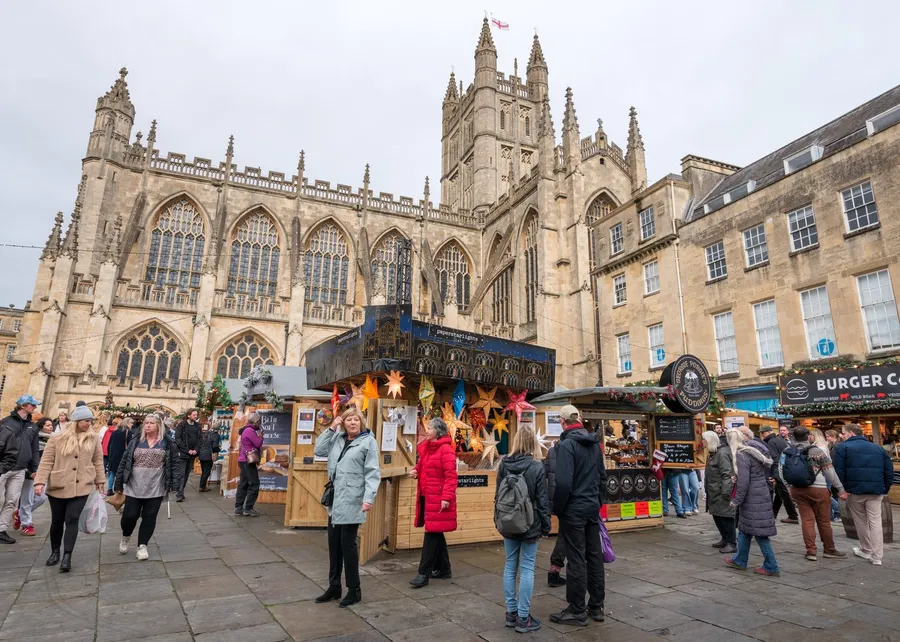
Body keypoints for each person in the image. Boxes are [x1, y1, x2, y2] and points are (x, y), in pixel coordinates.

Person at [313, 407, 379, 607]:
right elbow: (319, 450)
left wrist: (368, 498)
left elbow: (372, 472)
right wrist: (331, 428)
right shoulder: (337, 438)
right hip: (335, 500)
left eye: (356, 420)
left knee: (348, 545)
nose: (352, 423)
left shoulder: (368, 442)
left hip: (353, 500)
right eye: (349, 419)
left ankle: (354, 589)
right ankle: (334, 587)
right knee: (334, 544)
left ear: (361, 422)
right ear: (343, 422)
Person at [549, 405, 606, 627]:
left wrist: (559, 508)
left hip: (573, 509)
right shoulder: (594, 444)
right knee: (594, 556)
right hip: (591, 507)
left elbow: (563, 483)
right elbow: (602, 478)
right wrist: (597, 502)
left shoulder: (567, 445)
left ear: (563, 422)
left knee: (575, 559)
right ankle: (596, 606)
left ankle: (576, 609)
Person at [33, 405, 105, 571]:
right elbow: (47, 461)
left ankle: (67, 555)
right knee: (57, 520)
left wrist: (100, 480)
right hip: (59, 484)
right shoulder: (56, 438)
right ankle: (55, 551)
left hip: (82, 485)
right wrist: (40, 481)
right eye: (86, 421)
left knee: (72, 518)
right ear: (76, 421)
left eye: (90, 421)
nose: (89, 424)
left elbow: (98, 460)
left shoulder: (93, 438)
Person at [496, 427, 551, 633]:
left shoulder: (504, 464)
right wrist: (546, 525)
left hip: (507, 522)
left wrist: (497, 519)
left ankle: (511, 613)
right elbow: (542, 500)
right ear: (533, 443)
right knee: (527, 568)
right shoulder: (537, 466)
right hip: (530, 523)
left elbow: (498, 495)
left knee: (510, 565)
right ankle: (523, 617)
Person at [115, 414, 181, 560]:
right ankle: (126, 535)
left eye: (151, 423)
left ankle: (142, 545)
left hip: (156, 485)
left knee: (149, 517)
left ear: (158, 426)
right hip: (134, 485)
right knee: (130, 516)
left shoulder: (167, 443)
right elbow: (125, 461)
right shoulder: (136, 441)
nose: (148, 425)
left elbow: (175, 464)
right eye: (146, 423)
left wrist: (175, 484)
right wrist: (118, 483)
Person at [780, 426, 847, 562]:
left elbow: (781, 471)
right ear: (809, 436)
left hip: (798, 489)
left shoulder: (786, 452)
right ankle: (829, 549)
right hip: (819, 489)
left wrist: (789, 487)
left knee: (807, 521)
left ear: (793, 436)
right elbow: (830, 473)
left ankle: (811, 551)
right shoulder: (817, 451)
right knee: (824, 521)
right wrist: (840, 489)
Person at [408, 417, 458, 589]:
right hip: (427, 497)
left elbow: (451, 477)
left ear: (438, 431)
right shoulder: (428, 448)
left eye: (429, 428)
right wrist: (416, 471)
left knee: (431, 534)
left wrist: (446, 498)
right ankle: (444, 569)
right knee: (436, 531)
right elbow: (422, 465)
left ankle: (423, 573)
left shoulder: (446, 450)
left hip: (438, 498)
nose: (427, 430)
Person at [834, 423, 893, 566]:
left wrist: (842, 489)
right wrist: (885, 488)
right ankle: (877, 556)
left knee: (860, 521)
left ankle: (866, 549)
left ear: (851, 433)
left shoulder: (843, 448)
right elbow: (889, 470)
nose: (842, 436)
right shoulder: (878, 448)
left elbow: (839, 471)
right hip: (875, 490)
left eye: (844, 433)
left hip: (855, 491)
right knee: (875, 521)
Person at [724, 429, 780, 576]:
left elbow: (744, 482)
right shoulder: (752, 451)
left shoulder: (741, 455)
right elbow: (752, 474)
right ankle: (740, 560)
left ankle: (772, 566)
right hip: (759, 493)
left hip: (752, 498)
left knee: (760, 534)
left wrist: (736, 500)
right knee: (745, 530)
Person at [0, 395, 40, 544]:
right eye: (32, 405)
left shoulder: (32, 426)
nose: (35, 407)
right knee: (0, 499)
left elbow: (34, 449)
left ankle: (2, 529)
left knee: (12, 500)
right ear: (23, 406)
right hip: (4, 467)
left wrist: (34, 468)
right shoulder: (6, 422)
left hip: (20, 469)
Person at [702, 430, 737, 553]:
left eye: (704, 440)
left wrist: (725, 492)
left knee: (726, 517)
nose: (702, 443)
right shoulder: (713, 453)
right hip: (714, 491)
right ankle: (725, 539)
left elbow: (727, 474)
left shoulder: (721, 454)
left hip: (721, 492)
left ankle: (731, 543)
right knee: (717, 516)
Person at [16, 416, 51, 537]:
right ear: (41, 426)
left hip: (42, 473)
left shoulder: (52, 439)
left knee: (42, 498)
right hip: (30, 472)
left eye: (51, 425)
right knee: (27, 499)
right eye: (47, 425)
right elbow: (28, 454)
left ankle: (19, 514)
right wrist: (30, 471)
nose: (51, 427)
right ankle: (27, 524)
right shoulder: (34, 437)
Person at [760, 425, 799, 524]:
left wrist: (774, 474)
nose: (762, 435)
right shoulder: (779, 440)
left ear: (768, 432)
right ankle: (774, 513)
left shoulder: (770, 442)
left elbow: (774, 458)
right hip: (785, 468)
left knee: (784, 493)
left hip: (778, 470)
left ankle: (793, 516)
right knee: (779, 493)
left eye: (763, 432)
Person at [543, 434, 566, 587]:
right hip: (570, 501)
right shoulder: (573, 450)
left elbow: (545, 472)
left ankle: (554, 570)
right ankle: (554, 570)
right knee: (567, 536)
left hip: (555, 499)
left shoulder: (552, 451)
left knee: (564, 534)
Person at [234, 412, 263, 517]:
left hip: (243, 460)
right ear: (256, 421)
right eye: (259, 421)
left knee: (243, 483)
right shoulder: (250, 431)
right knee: (254, 484)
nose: (260, 423)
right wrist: (261, 436)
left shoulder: (246, 429)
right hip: (247, 461)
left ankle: (238, 507)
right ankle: (248, 508)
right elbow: (258, 443)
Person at [173, 409, 201, 502]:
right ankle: (179, 493)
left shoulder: (198, 426)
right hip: (183, 453)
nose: (196, 416)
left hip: (193, 454)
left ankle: (181, 490)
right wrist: (187, 450)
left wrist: (196, 450)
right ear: (188, 415)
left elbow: (200, 439)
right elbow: (178, 439)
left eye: (196, 415)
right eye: (194, 415)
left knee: (187, 473)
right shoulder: (181, 425)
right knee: (181, 473)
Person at [106, 418, 130, 493]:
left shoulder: (114, 432)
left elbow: (109, 444)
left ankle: (109, 489)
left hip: (113, 455)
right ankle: (119, 489)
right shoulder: (128, 432)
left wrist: (109, 455)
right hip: (122, 455)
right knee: (121, 473)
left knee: (112, 473)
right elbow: (130, 445)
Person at [197, 422, 220, 492]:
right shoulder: (215, 435)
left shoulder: (206, 433)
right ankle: (202, 487)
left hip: (201, 454)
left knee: (204, 471)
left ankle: (202, 485)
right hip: (208, 455)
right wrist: (218, 450)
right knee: (207, 471)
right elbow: (215, 446)